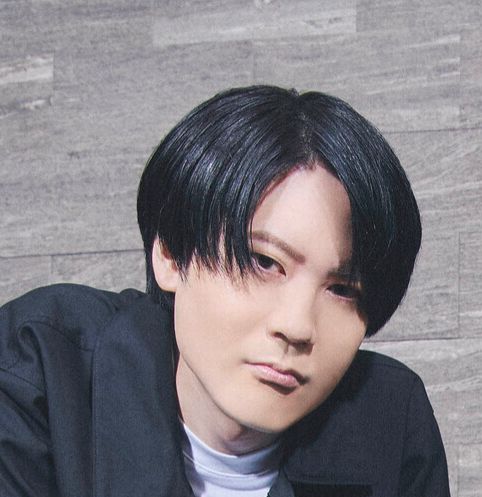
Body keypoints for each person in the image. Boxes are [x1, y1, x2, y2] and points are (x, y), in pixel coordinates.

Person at [0, 85, 450, 497]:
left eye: (342, 290)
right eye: (264, 262)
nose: (296, 326)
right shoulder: (38, 368)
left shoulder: (390, 421)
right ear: (170, 255)